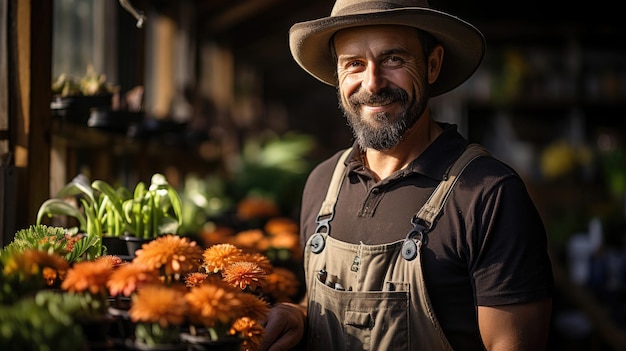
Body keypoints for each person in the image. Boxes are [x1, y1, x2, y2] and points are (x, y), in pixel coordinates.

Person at [261, 0, 554, 350]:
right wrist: (298, 314)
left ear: (432, 65)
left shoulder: (488, 195)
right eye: (354, 64)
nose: (372, 83)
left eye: (393, 59)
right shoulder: (323, 183)